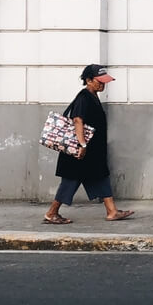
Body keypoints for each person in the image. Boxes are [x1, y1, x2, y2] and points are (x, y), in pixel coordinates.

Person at [43, 64, 135, 224]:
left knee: (100, 176)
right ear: (88, 80)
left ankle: (112, 211)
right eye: (99, 81)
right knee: (70, 181)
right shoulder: (84, 98)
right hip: (81, 151)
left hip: (92, 152)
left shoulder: (92, 96)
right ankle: (52, 212)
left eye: (104, 81)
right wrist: (82, 145)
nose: (103, 84)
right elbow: (78, 120)